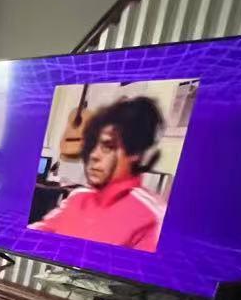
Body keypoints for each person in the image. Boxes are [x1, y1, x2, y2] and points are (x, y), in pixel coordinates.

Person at [31, 96, 165, 251]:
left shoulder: (152, 217)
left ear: (134, 152)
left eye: (107, 146)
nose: (93, 155)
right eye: (92, 145)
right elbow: (32, 236)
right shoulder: (77, 198)